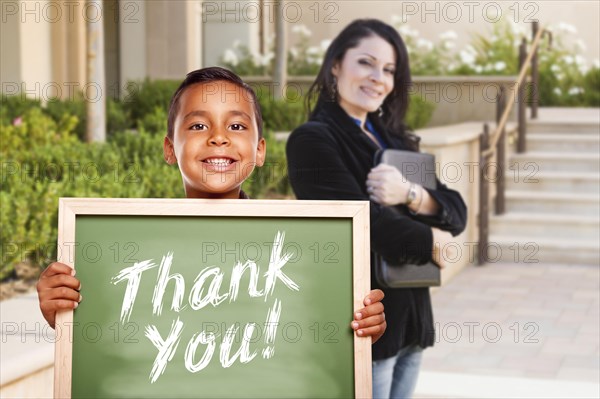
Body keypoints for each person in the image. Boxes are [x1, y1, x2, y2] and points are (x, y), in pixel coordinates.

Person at [36, 66, 386, 345]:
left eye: (236, 125)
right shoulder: (130, 250)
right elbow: (112, 335)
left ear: (260, 150)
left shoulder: (303, 247)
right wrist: (64, 314)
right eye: (199, 125)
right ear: (170, 148)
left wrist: (364, 328)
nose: (219, 137)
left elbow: (321, 332)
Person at [286, 19, 467, 398]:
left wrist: (411, 195)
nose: (378, 79)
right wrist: (432, 239)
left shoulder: (394, 138)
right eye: (366, 63)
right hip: (368, 325)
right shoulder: (313, 140)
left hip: (412, 319)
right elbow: (359, 220)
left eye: (389, 70)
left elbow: (457, 209)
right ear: (336, 64)